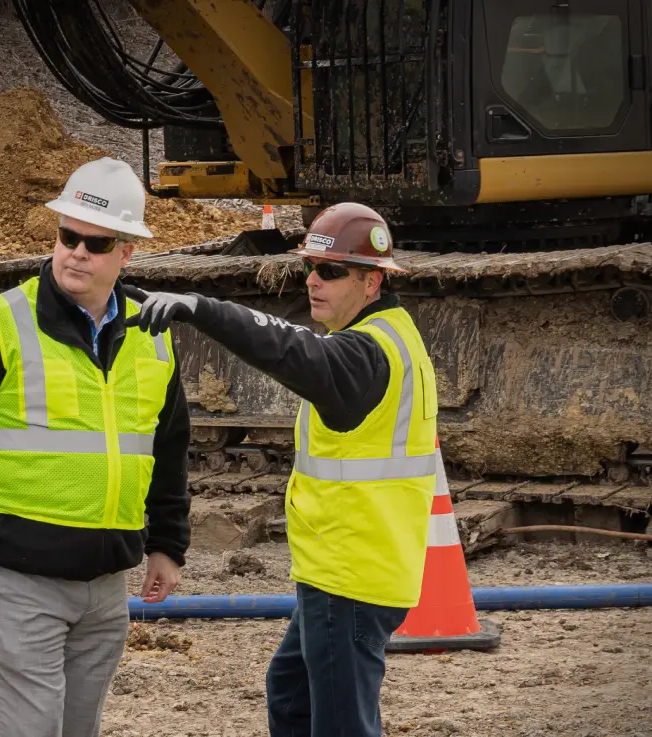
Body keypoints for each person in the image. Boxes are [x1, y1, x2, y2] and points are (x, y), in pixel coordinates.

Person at [124, 202, 438, 737]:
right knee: (291, 696)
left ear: (372, 282)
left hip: (352, 574)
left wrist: (201, 308)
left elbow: (288, 348)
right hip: (346, 567)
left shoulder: (366, 355)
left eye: (331, 271)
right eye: (309, 268)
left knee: (341, 723)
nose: (314, 281)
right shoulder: (389, 335)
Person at [0, 156, 192, 737]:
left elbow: (168, 450)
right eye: (68, 235)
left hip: (106, 582)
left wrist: (167, 544)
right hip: (18, 576)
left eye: (96, 241)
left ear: (126, 253)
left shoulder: (151, 336)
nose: (78, 251)